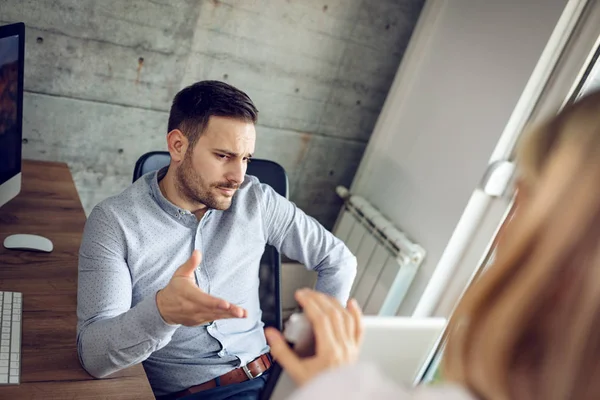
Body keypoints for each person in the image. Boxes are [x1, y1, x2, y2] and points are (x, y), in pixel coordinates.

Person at [266, 89, 600, 400]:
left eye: (519, 200)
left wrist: (334, 379)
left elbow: (338, 259)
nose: (501, 235)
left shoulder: (262, 199)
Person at [76, 80, 357, 399]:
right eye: (224, 156)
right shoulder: (114, 222)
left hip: (274, 378)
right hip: (195, 393)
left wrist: (309, 346)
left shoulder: (257, 200)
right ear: (178, 145)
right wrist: (162, 312)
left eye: (246, 158)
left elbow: (338, 260)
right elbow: (93, 357)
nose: (238, 176)